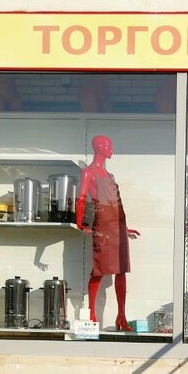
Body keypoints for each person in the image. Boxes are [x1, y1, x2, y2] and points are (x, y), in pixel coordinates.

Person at [75, 135, 140, 330]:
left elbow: (116, 203)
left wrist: (124, 227)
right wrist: (79, 222)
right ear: (98, 147)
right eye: (107, 145)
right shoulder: (88, 172)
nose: (110, 148)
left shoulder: (110, 176)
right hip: (102, 225)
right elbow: (81, 198)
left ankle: (121, 316)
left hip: (117, 225)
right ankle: (91, 314)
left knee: (121, 270)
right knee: (99, 269)